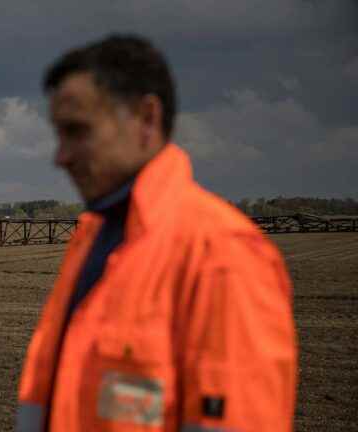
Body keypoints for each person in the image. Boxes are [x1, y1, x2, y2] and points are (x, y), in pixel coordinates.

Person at [16, 35, 297, 432]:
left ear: (147, 118)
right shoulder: (92, 236)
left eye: (77, 131)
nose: (60, 157)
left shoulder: (221, 255)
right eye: (58, 134)